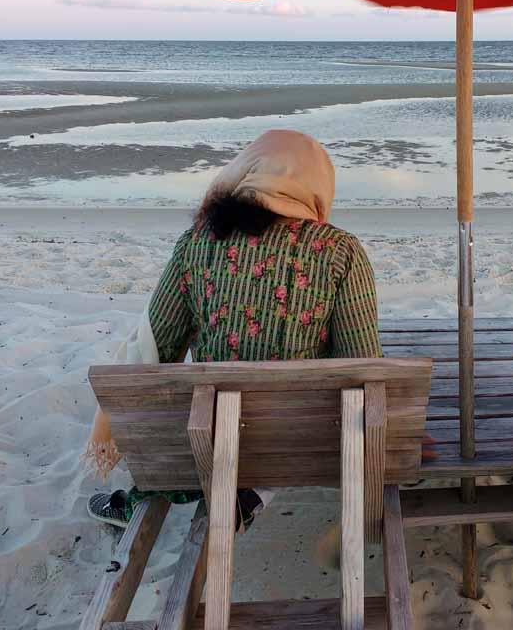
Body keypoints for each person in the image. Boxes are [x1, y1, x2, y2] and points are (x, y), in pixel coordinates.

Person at [84, 130, 383, 527]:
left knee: (189, 399)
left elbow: (156, 347)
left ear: (244, 173)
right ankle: (256, 491)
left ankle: (145, 498)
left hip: (212, 438)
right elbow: (362, 364)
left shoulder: (196, 244)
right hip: (302, 443)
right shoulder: (340, 251)